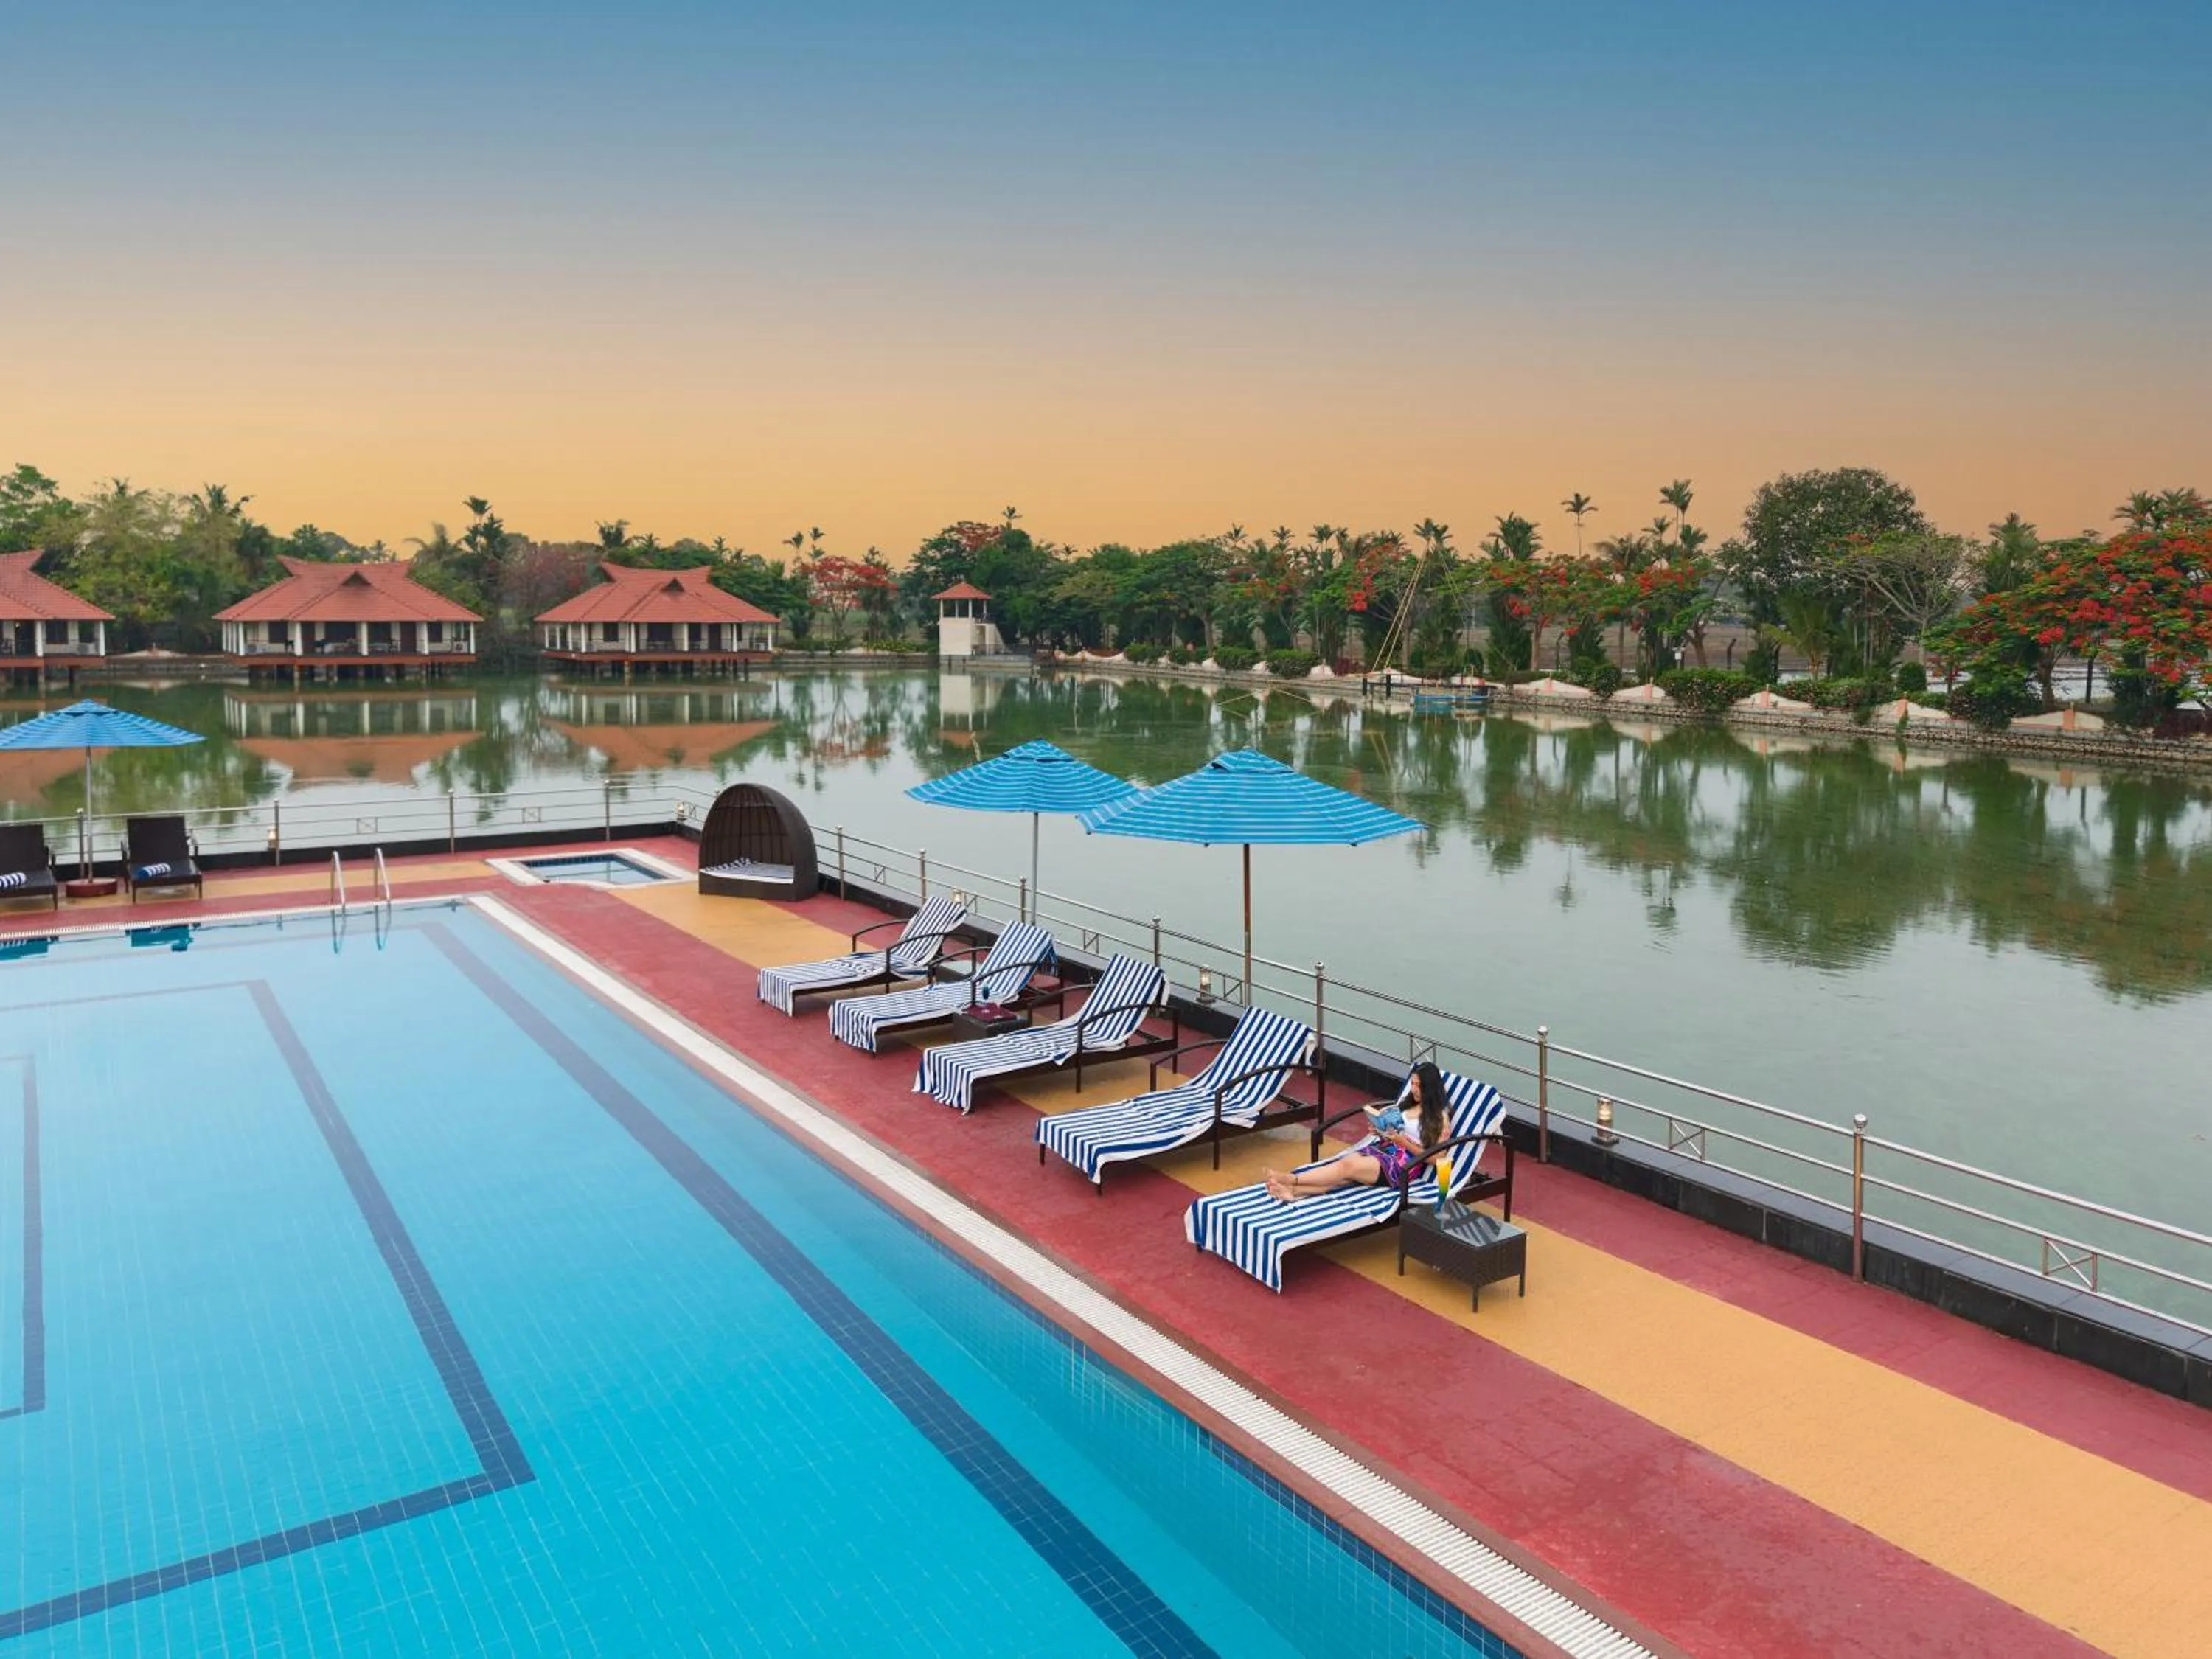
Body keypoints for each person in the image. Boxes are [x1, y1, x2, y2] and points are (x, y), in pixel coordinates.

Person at [1265, 1060, 1446, 1202]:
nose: (1414, 1089)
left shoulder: (1440, 1117)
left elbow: (1439, 1158)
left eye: (1419, 1085)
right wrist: (1380, 1130)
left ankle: (1291, 1179)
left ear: (1430, 1087)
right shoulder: (1408, 1104)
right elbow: (1396, 1129)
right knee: (1344, 1172)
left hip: (1402, 1165)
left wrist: (1404, 1142)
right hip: (1385, 1149)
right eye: (1413, 1084)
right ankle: (1293, 1191)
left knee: (1347, 1167)